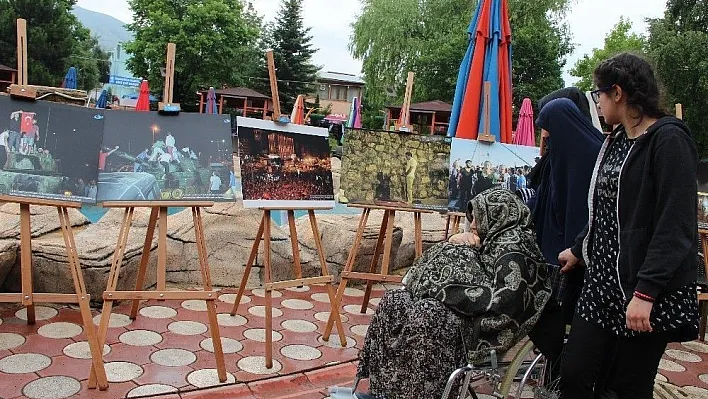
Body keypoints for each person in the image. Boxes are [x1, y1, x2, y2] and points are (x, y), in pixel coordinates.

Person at [557, 53, 699, 399]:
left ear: (617, 93)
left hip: (643, 290)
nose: (598, 103)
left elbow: (676, 225)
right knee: (574, 373)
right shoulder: (617, 139)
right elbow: (607, 211)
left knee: (627, 387)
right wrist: (579, 248)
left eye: (599, 94)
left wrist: (646, 293)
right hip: (601, 284)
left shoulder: (668, 140)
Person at [357, 189, 552, 399]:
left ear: (497, 215)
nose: (474, 223)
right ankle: (383, 388)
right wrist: (455, 242)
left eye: (479, 217)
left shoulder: (517, 248)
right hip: (462, 310)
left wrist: (448, 295)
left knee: (428, 312)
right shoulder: (488, 237)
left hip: (485, 324)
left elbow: (502, 302)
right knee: (394, 301)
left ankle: (420, 393)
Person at [527, 98, 604, 381]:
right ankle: (553, 370)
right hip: (557, 248)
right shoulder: (561, 151)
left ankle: (562, 374)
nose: (544, 135)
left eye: (547, 128)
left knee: (573, 323)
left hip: (580, 252)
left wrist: (578, 246)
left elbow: (591, 211)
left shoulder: (592, 155)